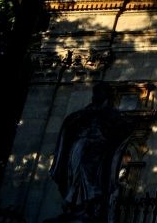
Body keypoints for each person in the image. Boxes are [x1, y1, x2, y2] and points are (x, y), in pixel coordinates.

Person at [49, 82, 133, 222]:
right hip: (81, 146)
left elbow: (123, 127)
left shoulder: (110, 113)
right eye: (95, 92)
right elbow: (70, 123)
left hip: (97, 151)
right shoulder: (86, 112)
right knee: (75, 171)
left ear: (106, 95)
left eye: (99, 92)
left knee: (91, 176)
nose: (95, 95)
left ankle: (88, 205)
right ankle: (76, 204)